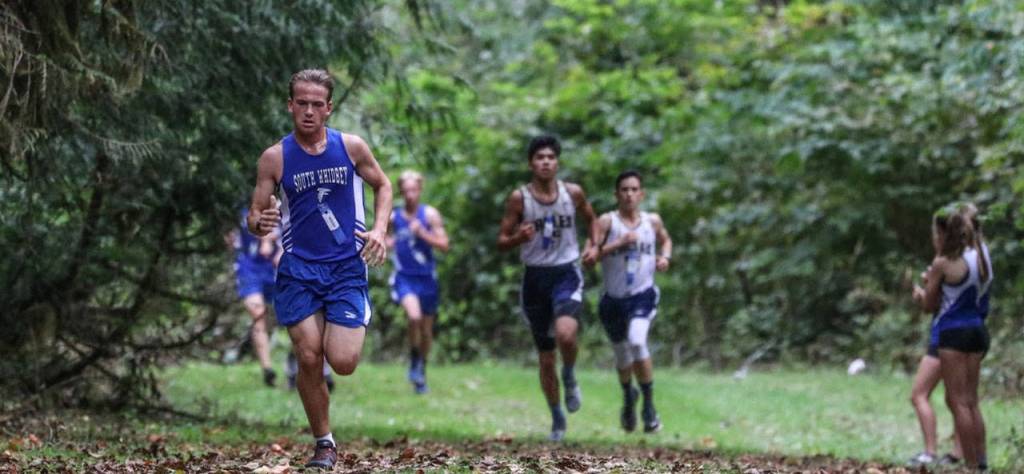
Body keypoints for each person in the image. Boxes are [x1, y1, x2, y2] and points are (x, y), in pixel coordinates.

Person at [248, 68, 392, 470]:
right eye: (302, 103)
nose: (309, 111)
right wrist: (259, 222)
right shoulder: (275, 157)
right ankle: (324, 443)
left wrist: (379, 229)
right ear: (290, 105)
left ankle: (340, 322)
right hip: (298, 269)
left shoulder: (351, 147)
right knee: (309, 357)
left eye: (317, 104)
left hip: (347, 265)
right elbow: (255, 213)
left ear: (329, 108)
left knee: (342, 362)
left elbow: (383, 185)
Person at [496, 135, 599, 441]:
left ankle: (569, 374)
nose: (545, 162)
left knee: (567, 334)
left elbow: (592, 220)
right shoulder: (520, 199)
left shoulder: (573, 193)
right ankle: (557, 418)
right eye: (539, 157)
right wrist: (518, 238)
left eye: (550, 157)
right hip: (535, 280)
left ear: (557, 162)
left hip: (566, 272)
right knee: (545, 356)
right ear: (531, 163)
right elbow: (502, 241)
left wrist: (593, 246)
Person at [586, 170, 671, 434]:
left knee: (637, 340)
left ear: (642, 194)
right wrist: (617, 244)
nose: (629, 194)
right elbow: (589, 257)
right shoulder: (607, 222)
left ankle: (648, 405)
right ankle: (627, 398)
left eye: (634, 189)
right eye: (624, 190)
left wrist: (664, 258)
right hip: (613, 300)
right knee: (622, 355)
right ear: (616, 194)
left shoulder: (651, 221)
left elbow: (665, 240)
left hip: (642, 295)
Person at [912, 204, 990, 470]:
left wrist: (922, 291)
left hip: (953, 334)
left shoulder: (944, 262)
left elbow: (928, 305)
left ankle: (969, 466)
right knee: (972, 401)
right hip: (978, 331)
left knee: (958, 403)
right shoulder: (981, 254)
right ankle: (981, 459)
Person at [388, 170, 449, 394]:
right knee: (413, 317)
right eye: (406, 191)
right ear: (401, 192)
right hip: (404, 277)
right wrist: (388, 244)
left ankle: (421, 369)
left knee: (426, 330)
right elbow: (383, 239)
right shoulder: (394, 217)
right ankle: (414, 360)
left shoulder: (430, 215)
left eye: (414, 190)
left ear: (420, 190)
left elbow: (444, 245)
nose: (410, 195)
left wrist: (422, 233)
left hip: (427, 278)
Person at [229, 208, 279, 386]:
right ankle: (268, 369)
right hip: (249, 267)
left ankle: (298, 364)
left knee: (293, 316)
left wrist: (280, 250)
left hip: (277, 268)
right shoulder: (243, 207)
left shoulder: (288, 198)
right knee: (258, 314)